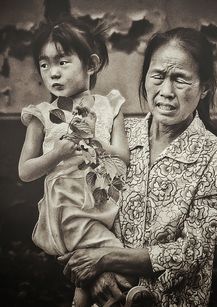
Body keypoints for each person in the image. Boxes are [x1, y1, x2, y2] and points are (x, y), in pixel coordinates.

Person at [58, 27, 217, 306]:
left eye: (180, 79)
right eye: (158, 76)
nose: (166, 91)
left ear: (204, 87)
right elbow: (78, 208)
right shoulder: (117, 138)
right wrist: (95, 274)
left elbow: (191, 252)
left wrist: (104, 259)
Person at [18, 16, 151, 307]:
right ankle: (130, 293)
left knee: (90, 268)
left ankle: (89, 301)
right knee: (108, 249)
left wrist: (97, 143)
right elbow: (25, 171)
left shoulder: (110, 107)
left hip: (103, 199)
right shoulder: (41, 116)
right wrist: (57, 154)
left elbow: (123, 155)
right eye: (44, 64)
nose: (52, 73)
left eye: (62, 62)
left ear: (90, 65)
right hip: (66, 206)